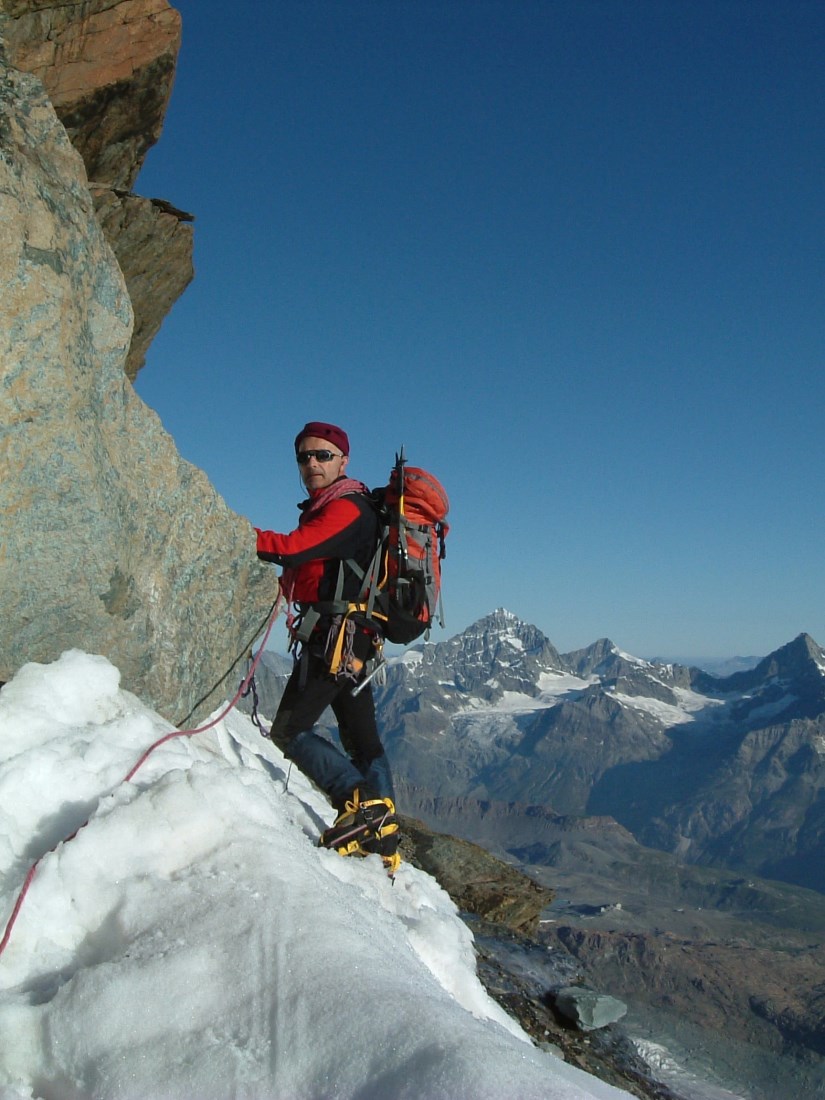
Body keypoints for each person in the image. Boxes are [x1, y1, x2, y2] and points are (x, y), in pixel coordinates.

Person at [255, 421, 400, 873]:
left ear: (343, 460)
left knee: (289, 732)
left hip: (334, 640)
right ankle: (383, 836)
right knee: (365, 744)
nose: (312, 464)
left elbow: (294, 549)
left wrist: (231, 534)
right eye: (304, 457)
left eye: (322, 455)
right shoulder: (344, 508)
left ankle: (359, 803)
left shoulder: (347, 510)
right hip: (356, 641)